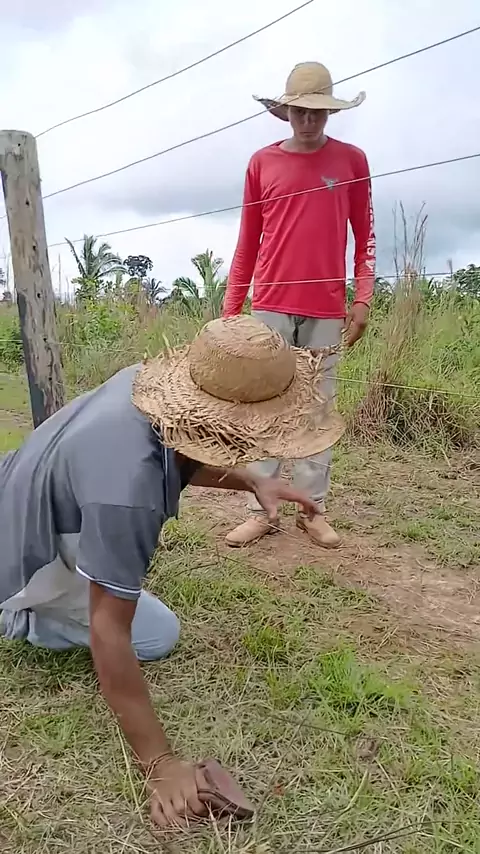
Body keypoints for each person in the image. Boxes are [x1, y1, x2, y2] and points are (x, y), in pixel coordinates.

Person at [0, 315, 344, 829]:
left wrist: (253, 482)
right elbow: (109, 630)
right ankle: (19, 612)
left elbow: (181, 454)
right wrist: (160, 764)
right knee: (154, 634)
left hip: (14, 492)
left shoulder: (139, 384)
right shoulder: (128, 494)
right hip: (24, 555)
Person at [223, 61, 376, 549]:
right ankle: (261, 510)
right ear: (286, 112)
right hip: (269, 304)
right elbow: (248, 240)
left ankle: (312, 511)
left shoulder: (351, 161)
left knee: (318, 410)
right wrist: (231, 310)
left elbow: (365, 235)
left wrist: (362, 298)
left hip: (326, 308)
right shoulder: (261, 163)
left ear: (329, 114)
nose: (308, 121)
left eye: (317, 113)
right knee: (265, 407)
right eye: (300, 112)